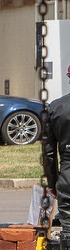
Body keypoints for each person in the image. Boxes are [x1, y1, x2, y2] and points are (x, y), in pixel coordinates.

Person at [45, 66, 70, 228]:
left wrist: (52, 182)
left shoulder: (56, 108)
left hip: (67, 177)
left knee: (68, 229)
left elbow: (49, 153)